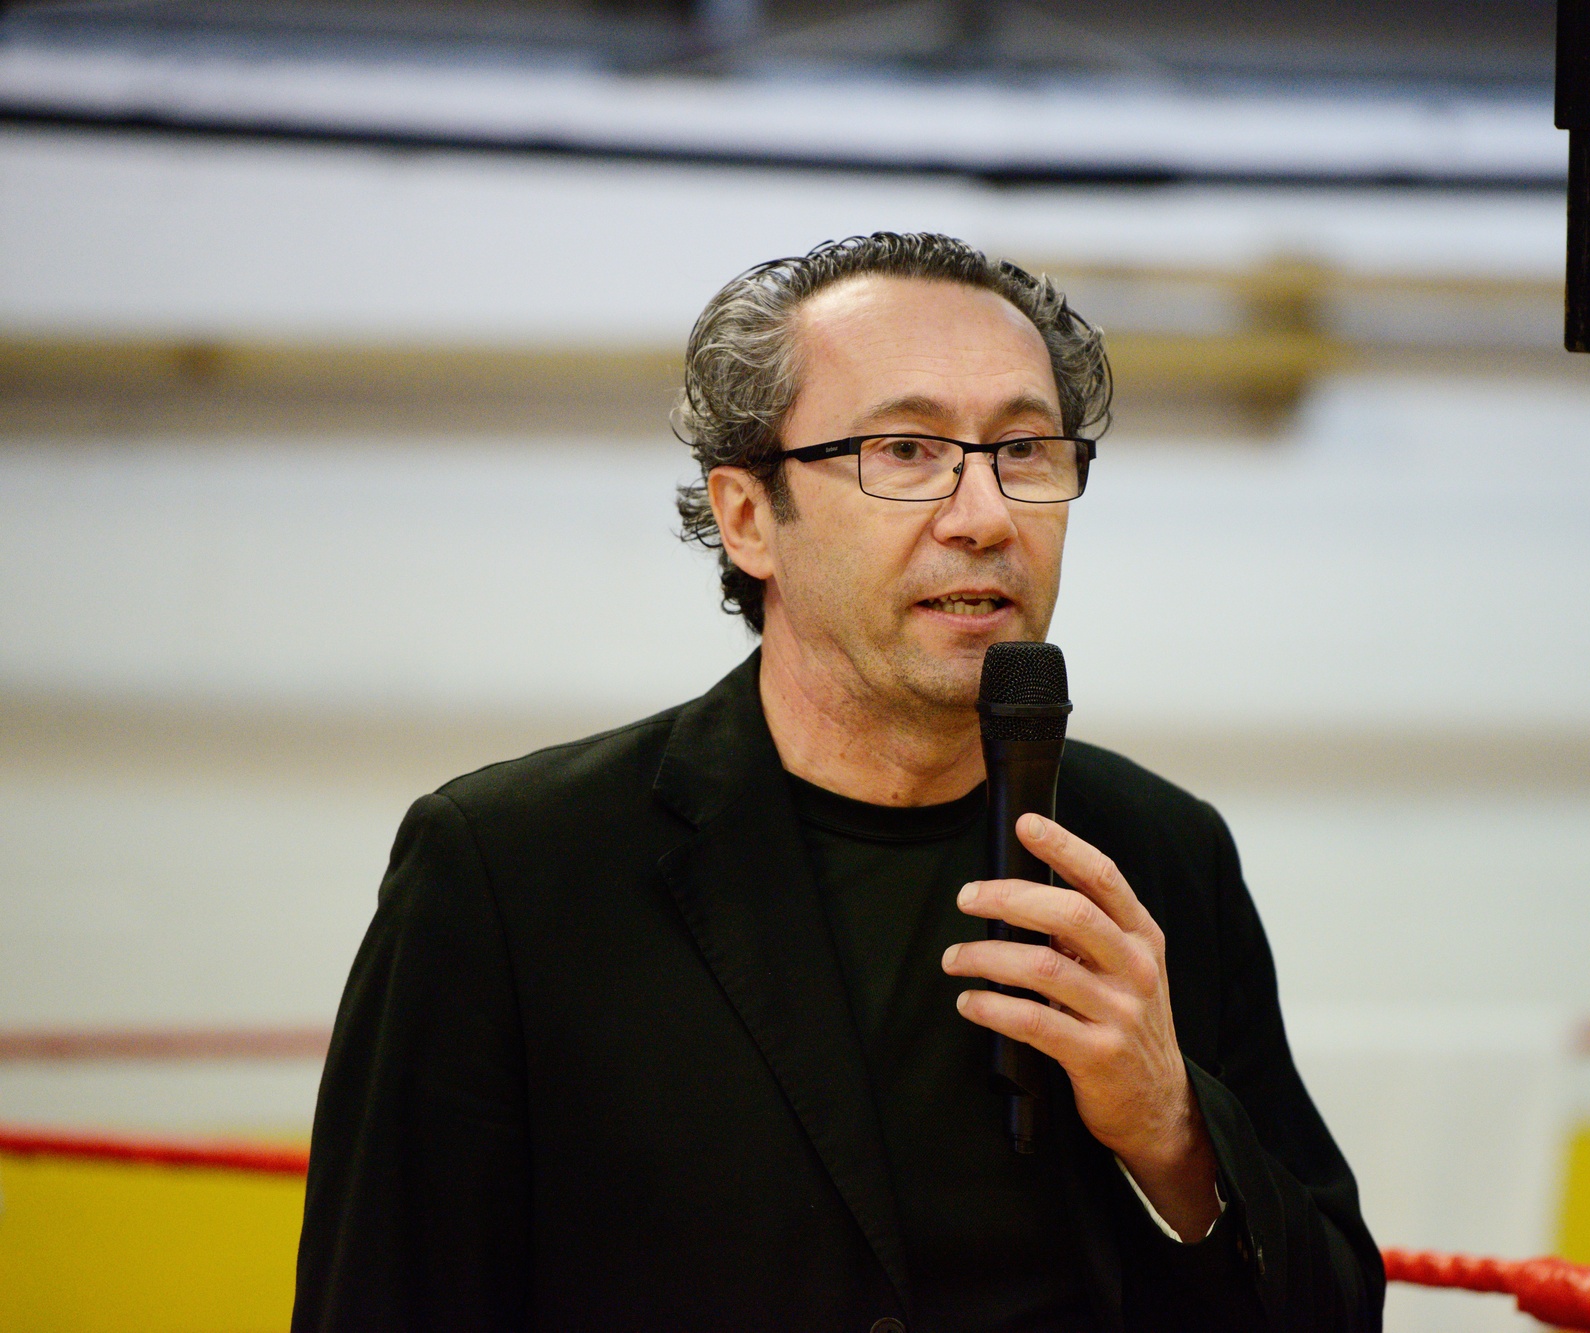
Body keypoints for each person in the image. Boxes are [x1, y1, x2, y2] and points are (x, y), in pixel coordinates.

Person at [293, 232, 1382, 1332]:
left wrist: (1175, 1137)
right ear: (747, 517)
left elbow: (1336, 1309)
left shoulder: (1156, 851)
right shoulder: (510, 872)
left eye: (1023, 450)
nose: (985, 516)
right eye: (905, 450)